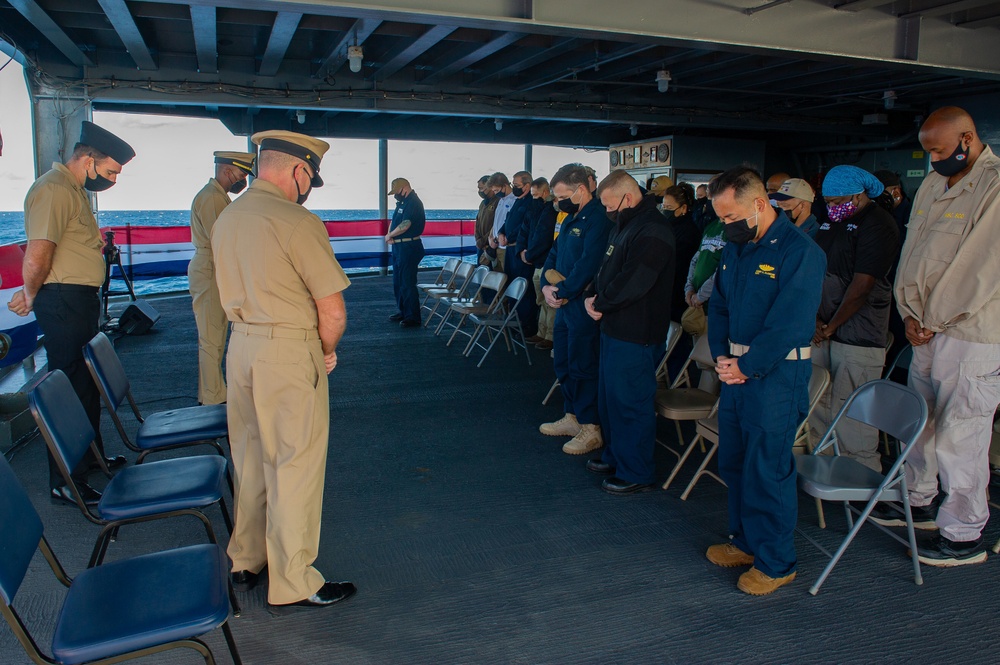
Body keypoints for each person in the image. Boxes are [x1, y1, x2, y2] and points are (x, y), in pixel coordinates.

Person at [212, 129, 355, 610]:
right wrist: (326, 350)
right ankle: (294, 580)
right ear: (298, 170)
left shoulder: (227, 216)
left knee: (250, 458)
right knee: (294, 464)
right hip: (289, 353)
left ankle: (246, 559)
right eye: (310, 176)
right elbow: (332, 312)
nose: (308, 185)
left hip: (242, 350)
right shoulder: (296, 221)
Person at [873, 107, 1000, 566]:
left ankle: (964, 533)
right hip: (923, 327)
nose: (932, 160)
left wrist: (934, 319)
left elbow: (980, 270)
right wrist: (909, 313)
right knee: (920, 421)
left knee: (961, 432)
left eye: (940, 150)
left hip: (968, 333)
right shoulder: (932, 183)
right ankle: (919, 497)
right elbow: (914, 252)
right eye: (927, 152)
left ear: (968, 138)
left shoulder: (994, 186)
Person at [705, 166, 826, 595]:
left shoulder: (800, 252)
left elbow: (790, 324)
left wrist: (746, 366)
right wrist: (721, 355)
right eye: (721, 218)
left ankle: (776, 562)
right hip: (736, 372)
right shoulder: (735, 248)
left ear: (759, 205)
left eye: (731, 216)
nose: (726, 225)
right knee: (734, 462)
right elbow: (718, 306)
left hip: (775, 376)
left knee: (767, 469)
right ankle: (746, 542)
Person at [8, 121, 132, 506]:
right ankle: (66, 480)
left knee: (87, 384)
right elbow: (40, 250)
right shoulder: (53, 190)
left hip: (78, 301)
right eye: (110, 171)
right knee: (68, 388)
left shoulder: (73, 191)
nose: (112, 179)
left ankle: (90, 457)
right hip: (62, 301)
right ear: (89, 159)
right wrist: (30, 294)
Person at [584, 171, 675, 494]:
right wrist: (592, 294)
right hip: (614, 327)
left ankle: (636, 470)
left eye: (611, 205)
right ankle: (616, 456)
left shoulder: (653, 230)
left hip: (638, 333)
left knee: (631, 402)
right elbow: (606, 268)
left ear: (628, 197)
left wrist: (602, 302)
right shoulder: (624, 226)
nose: (608, 212)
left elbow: (635, 280)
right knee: (609, 400)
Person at [809, 166, 899, 472]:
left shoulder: (878, 223)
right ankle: (823, 465)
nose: (832, 208)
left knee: (853, 410)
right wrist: (817, 321)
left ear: (859, 196)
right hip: (822, 327)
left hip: (857, 332)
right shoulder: (831, 220)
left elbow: (863, 284)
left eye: (838, 201)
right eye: (828, 202)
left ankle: (863, 475)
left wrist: (831, 325)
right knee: (819, 399)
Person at [539, 164, 613, 455]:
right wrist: (546, 285)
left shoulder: (599, 219)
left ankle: (591, 426)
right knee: (564, 362)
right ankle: (572, 416)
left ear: (581, 190)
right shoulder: (570, 218)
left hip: (582, 303)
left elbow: (589, 264)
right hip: (564, 303)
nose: (559, 202)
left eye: (562, 196)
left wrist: (564, 292)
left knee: (584, 365)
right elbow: (554, 254)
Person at [188, 150, 255, 405]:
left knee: (214, 335)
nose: (243, 180)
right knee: (211, 338)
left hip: (212, 268)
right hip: (210, 269)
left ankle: (214, 392)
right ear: (228, 171)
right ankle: (212, 398)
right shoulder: (212, 199)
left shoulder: (217, 197)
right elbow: (222, 241)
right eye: (241, 174)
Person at [502, 171, 543, 339]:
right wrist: (500, 233)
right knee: (511, 286)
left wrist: (515, 242)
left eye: (517, 185)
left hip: (521, 251)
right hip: (509, 250)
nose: (514, 188)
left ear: (527, 186)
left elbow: (526, 229)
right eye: (513, 185)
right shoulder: (516, 202)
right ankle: (513, 321)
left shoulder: (531, 204)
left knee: (524, 290)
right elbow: (508, 222)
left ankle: (526, 326)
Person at [519, 177, 558, 349]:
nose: (534, 199)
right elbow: (526, 230)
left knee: (550, 302)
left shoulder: (550, 211)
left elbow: (543, 236)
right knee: (540, 299)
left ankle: (550, 336)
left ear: (545, 192)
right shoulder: (534, 210)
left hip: (545, 261)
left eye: (536, 195)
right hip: (537, 262)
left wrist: (530, 254)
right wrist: (522, 250)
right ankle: (541, 332)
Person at [385, 177, 426, 327]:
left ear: (405, 188)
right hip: (399, 247)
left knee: (407, 282)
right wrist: (390, 234)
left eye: (397, 192)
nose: (396, 195)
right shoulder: (402, 202)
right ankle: (403, 310)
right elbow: (395, 220)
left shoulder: (413, 202)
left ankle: (413, 316)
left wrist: (391, 235)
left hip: (409, 247)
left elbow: (406, 223)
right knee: (398, 281)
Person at [682, 202, 726, 339]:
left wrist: (702, 295)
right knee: (697, 355)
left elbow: (724, 270)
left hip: (715, 307)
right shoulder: (711, 227)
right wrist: (689, 288)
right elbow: (696, 259)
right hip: (696, 305)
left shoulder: (735, 230)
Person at [661, 183, 701, 323]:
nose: (665, 211)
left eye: (669, 208)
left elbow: (679, 264)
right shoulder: (667, 227)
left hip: (678, 292)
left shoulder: (689, 232)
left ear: (683, 208)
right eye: (664, 207)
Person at [488, 172, 515, 268]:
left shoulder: (514, 200)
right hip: (495, 245)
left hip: (505, 247)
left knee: (507, 277)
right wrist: (491, 237)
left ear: (505, 186)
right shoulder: (500, 200)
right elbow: (496, 221)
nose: (495, 193)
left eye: (497, 190)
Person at [474, 175, 498, 264]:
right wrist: (478, 239)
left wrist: (484, 241)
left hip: (491, 245)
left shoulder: (498, 202)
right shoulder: (482, 204)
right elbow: (478, 222)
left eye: (481, 188)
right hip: (480, 245)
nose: (480, 191)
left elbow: (496, 225)